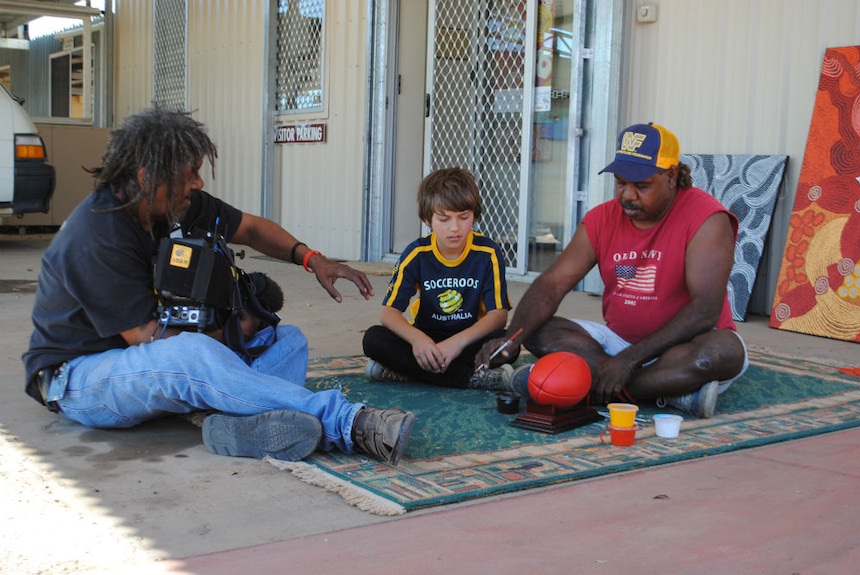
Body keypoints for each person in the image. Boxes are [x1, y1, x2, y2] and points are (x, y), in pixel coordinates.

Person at [22, 107, 415, 466]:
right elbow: (145, 336)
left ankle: (232, 425)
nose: (198, 181)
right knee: (193, 354)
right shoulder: (97, 235)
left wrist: (312, 259)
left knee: (288, 340)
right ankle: (350, 424)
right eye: (188, 174)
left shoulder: (172, 205)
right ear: (147, 178)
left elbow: (250, 228)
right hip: (81, 378)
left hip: (158, 366)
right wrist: (232, 331)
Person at [476, 122, 749, 418]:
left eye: (641, 185)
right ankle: (667, 393)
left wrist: (629, 360)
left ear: (671, 176)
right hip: (616, 343)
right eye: (621, 183)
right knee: (537, 330)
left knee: (719, 353)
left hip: (683, 346)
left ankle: (592, 389)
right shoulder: (601, 219)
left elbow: (705, 310)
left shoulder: (707, 219)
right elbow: (553, 283)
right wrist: (512, 337)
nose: (627, 195)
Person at [362, 167, 517, 390]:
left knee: (508, 345)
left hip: (469, 339)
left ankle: (406, 373)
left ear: (474, 214)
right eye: (444, 219)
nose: (455, 228)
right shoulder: (416, 254)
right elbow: (389, 312)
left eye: (463, 217)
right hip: (428, 338)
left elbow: (498, 315)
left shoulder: (487, 252)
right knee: (374, 339)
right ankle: (469, 378)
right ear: (427, 219)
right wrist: (418, 340)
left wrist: (456, 343)